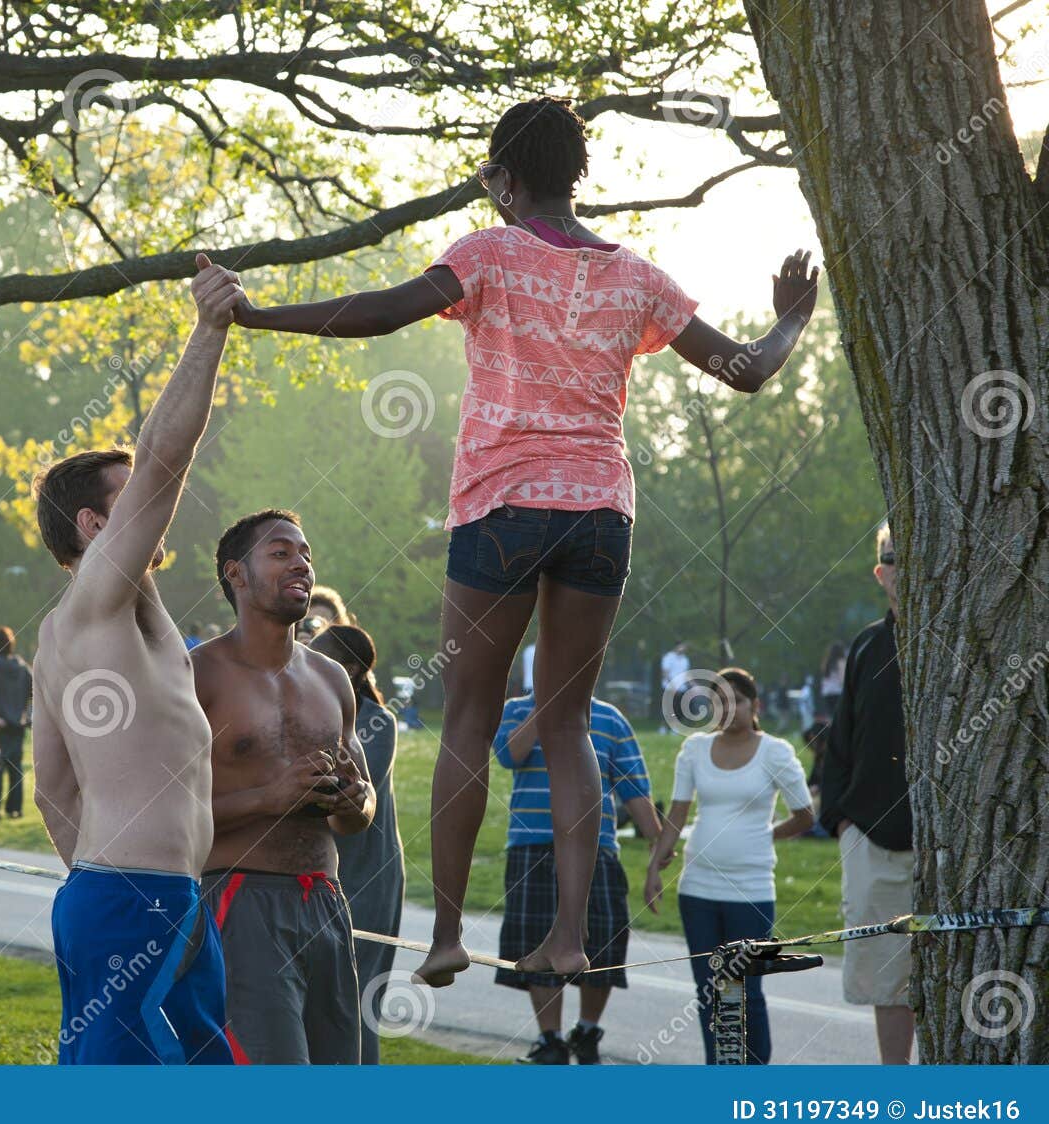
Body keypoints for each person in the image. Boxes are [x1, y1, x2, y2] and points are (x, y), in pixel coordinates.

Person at [228, 95, 819, 985]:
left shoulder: (491, 252)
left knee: (469, 714)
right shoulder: (639, 278)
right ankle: (571, 938)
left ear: (503, 180)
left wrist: (257, 314)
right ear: (575, 175)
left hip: (502, 507)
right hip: (599, 515)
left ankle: (449, 935)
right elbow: (746, 370)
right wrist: (792, 318)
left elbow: (381, 312)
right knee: (568, 721)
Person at [30, 255, 245, 1065]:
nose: (158, 511)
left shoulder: (112, 624)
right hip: (134, 903)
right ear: (93, 526)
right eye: (131, 504)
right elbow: (163, 456)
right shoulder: (91, 602)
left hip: (156, 902)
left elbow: (53, 789)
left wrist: (100, 877)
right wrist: (209, 331)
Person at [194, 510, 376, 1064]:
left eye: (306, 554)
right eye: (281, 552)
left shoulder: (332, 678)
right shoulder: (196, 675)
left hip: (325, 901)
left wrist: (351, 801)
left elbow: (361, 806)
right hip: (238, 899)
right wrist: (270, 799)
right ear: (237, 574)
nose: (301, 563)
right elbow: (161, 815)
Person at [645, 668, 815, 1064]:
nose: (728, 708)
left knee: (745, 990)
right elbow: (678, 812)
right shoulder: (694, 750)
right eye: (719, 700)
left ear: (754, 705)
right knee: (710, 991)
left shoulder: (775, 751)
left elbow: (805, 815)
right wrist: (655, 867)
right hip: (698, 889)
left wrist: (764, 837)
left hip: (751, 889)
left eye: (736, 700)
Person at [493, 691, 660, 1064]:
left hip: (595, 847)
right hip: (531, 843)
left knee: (601, 940)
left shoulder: (610, 719)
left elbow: (635, 788)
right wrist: (545, 709)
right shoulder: (516, 710)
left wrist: (657, 848)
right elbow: (508, 755)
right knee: (537, 940)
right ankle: (550, 1039)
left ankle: (586, 1031)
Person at [818, 522, 915, 1064]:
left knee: (956, 973)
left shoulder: (971, 637)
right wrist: (840, 818)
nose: (902, 565)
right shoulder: (866, 646)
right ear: (881, 572)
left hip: (956, 844)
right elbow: (841, 741)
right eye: (892, 557)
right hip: (872, 837)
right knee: (886, 976)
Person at [311, 624, 402, 1065]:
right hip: (317, 877)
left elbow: (349, 795)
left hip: (368, 877)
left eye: (320, 655)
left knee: (360, 997)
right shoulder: (305, 708)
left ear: (349, 668)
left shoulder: (376, 723)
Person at [0, 627, 33, 822]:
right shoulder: (22, 667)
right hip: (18, 724)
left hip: (0, 725)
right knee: (15, 769)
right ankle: (15, 809)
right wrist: (26, 715)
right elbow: (34, 692)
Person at [660, 642, 691, 728]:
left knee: (677, 709)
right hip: (669, 687)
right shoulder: (668, 657)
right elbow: (665, 673)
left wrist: (694, 685)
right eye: (681, 646)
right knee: (667, 708)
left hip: (681, 688)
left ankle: (675, 727)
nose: (683, 649)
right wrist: (673, 686)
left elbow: (686, 674)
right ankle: (663, 727)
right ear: (676, 647)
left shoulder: (685, 659)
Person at [817, 641, 848, 719]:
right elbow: (842, 679)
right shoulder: (841, 662)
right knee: (840, 716)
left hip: (826, 693)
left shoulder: (826, 663)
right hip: (837, 692)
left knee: (831, 717)